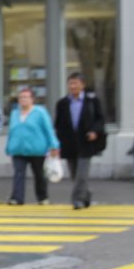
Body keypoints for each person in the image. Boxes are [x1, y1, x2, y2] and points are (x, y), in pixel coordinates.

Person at [54, 71, 107, 210]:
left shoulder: (92, 101)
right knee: (74, 175)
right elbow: (58, 124)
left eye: (75, 83)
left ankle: (77, 200)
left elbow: (100, 119)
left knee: (81, 175)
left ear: (82, 85)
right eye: (70, 84)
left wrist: (95, 131)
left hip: (86, 142)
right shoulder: (62, 103)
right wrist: (57, 143)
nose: (73, 86)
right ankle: (86, 194)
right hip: (69, 143)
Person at [4, 88, 59, 205]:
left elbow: (48, 129)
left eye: (25, 97)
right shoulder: (15, 113)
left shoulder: (40, 112)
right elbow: (11, 131)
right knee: (18, 174)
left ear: (32, 99)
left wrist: (54, 145)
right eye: (20, 97)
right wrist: (8, 147)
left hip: (37, 149)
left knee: (39, 174)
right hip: (18, 149)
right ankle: (17, 198)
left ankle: (42, 197)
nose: (23, 99)